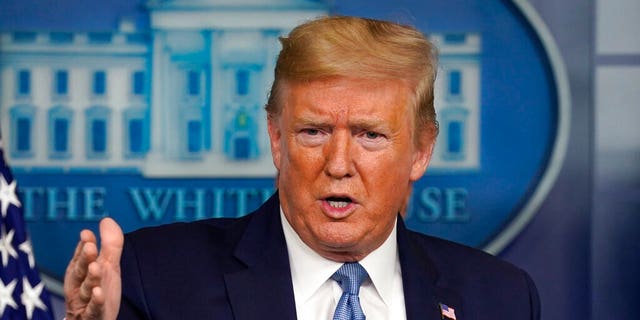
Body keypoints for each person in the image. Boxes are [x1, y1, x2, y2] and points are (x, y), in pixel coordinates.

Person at [63, 16, 540, 320]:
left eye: (370, 135)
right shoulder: (156, 278)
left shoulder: (500, 299)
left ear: (420, 150)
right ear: (276, 138)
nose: (338, 165)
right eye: (313, 132)